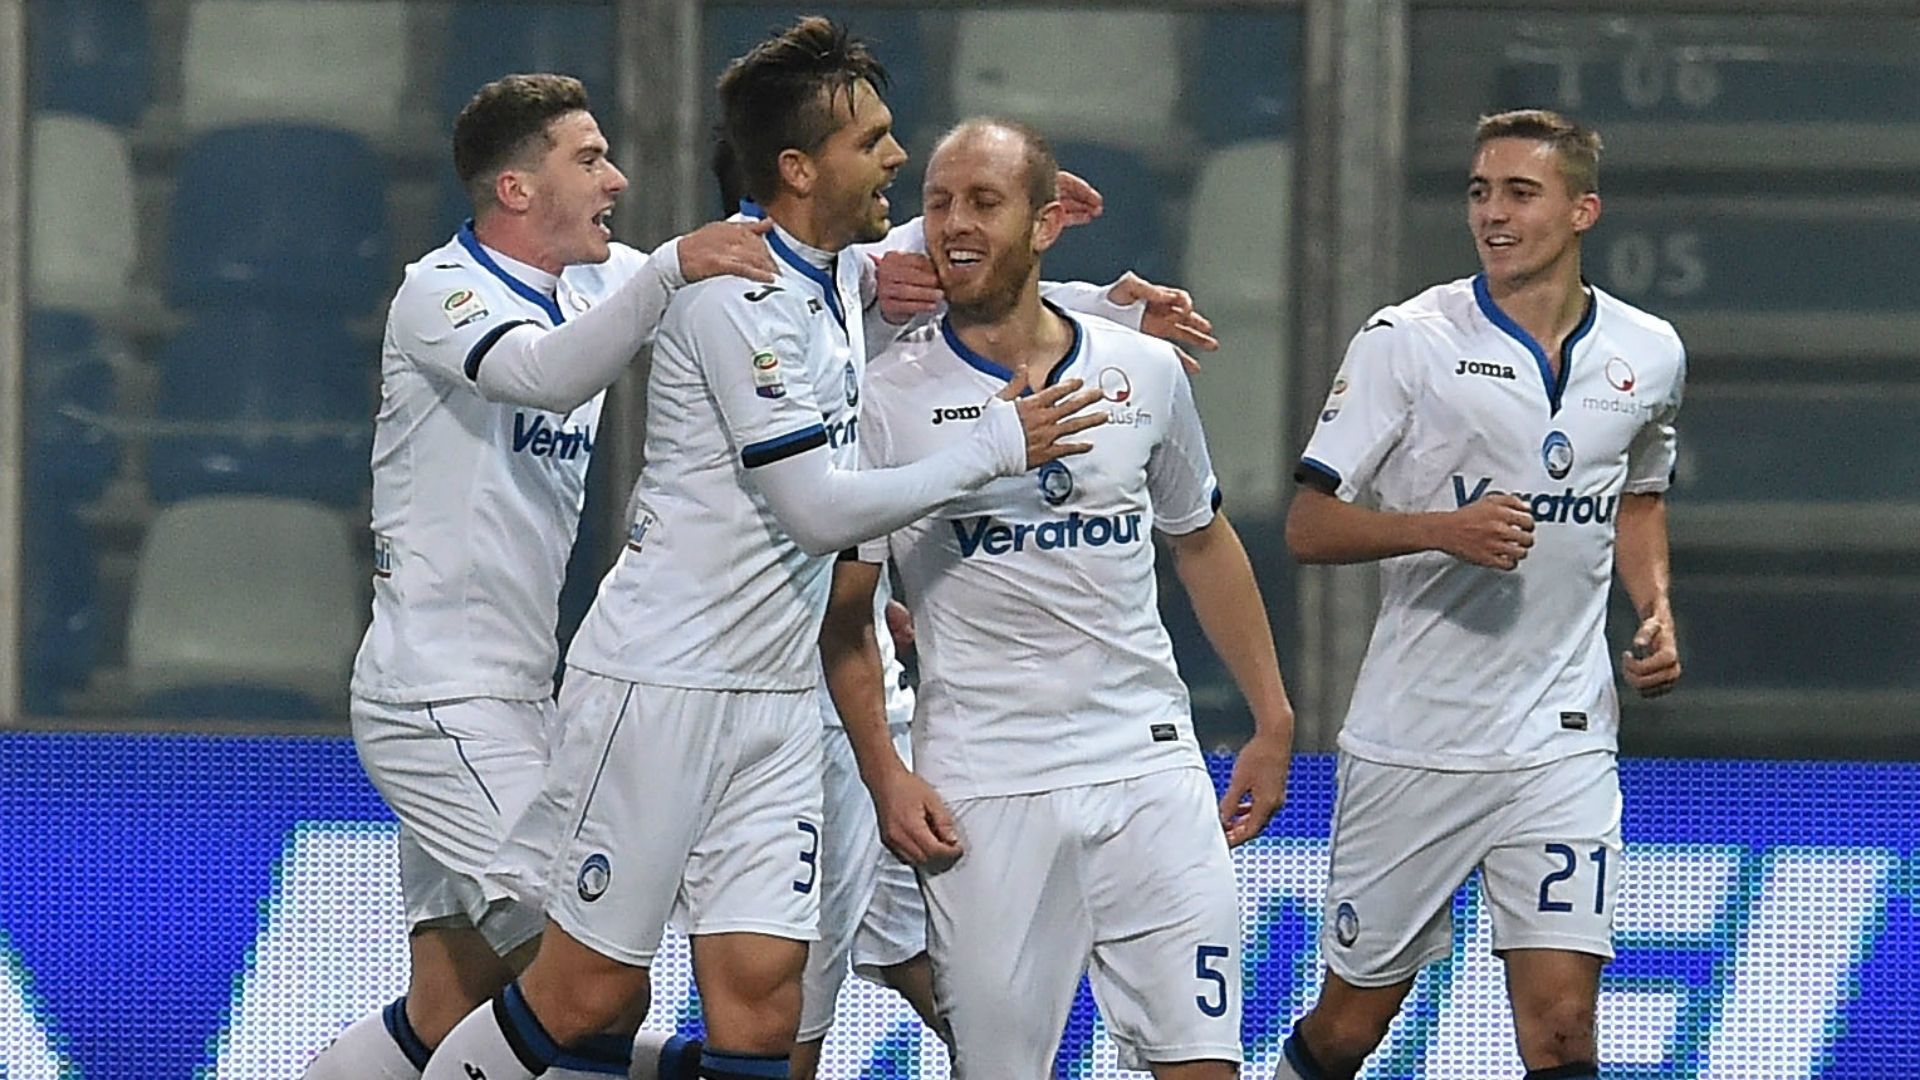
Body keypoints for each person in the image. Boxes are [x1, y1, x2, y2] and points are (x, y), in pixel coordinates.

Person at [420, 21, 1108, 1080]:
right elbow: (818, 512)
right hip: (662, 684)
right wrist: (996, 445)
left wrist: (1107, 303)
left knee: (763, 1003)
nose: (896, 156)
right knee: (586, 993)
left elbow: (957, 269)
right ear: (798, 168)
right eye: (871, 141)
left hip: (779, 700)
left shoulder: (837, 274)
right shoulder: (734, 294)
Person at [303, 73, 779, 1080]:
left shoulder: (602, 284)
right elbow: (542, 375)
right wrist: (671, 270)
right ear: (517, 189)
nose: (618, 179)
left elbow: (777, 279)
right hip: (437, 699)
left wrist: (1067, 301)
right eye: (589, 158)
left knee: (450, 1001)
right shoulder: (442, 292)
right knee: (594, 977)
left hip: (519, 695)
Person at [821, 117, 1298, 1080]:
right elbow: (846, 618)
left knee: (1205, 1066)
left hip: (1148, 768)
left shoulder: (1144, 371)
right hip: (984, 784)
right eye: (939, 203)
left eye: (984, 203)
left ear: (1045, 225)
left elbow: (1202, 539)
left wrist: (1273, 716)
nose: (955, 224)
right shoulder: (882, 398)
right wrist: (885, 774)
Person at [1272, 109, 1684, 1080]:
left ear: (1582, 211)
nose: (1492, 214)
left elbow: (1638, 496)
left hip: (1562, 736)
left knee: (1563, 1027)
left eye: (1520, 193)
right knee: (1349, 1028)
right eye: (1479, 192)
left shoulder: (1650, 349)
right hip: (1418, 739)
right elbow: (1307, 525)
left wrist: (1654, 606)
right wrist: (1440, 530)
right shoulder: (1407, 341)